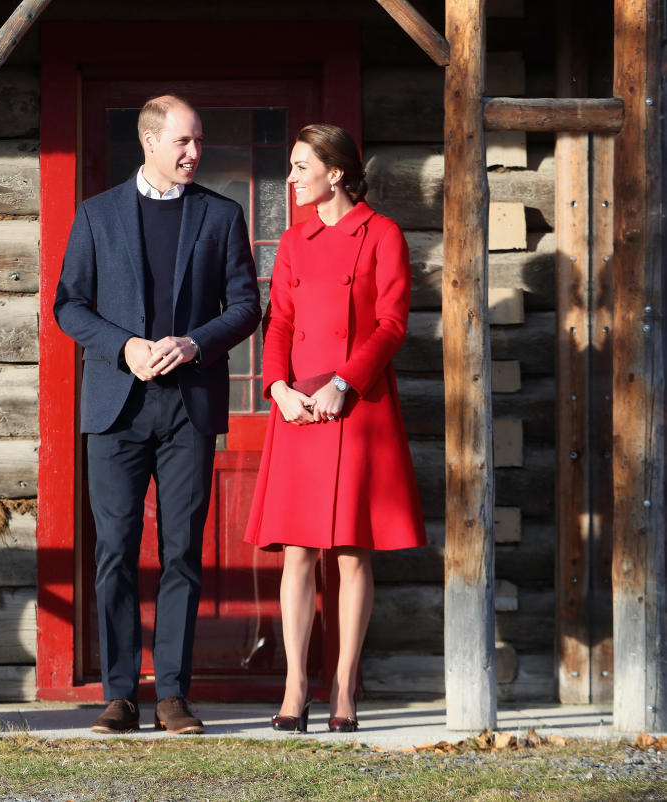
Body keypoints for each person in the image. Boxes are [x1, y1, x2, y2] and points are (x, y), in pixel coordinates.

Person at [54, 95, 261, 735]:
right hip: (115, 409)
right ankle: (120, 695)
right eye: (183, 142)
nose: (195, 153)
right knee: (114, 551)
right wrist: (124, 346)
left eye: (198, 142)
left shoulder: (221, 216)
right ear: (150, 142)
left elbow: (247, 305)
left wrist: (195, 341)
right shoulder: (95, 216)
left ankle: (172, 694)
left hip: (189, 407)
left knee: (182, 554)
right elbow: (69, 306)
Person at [244, 123, 425, 734]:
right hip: (297, 408)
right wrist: (277, 390)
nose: (290, 178)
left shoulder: (383, 235)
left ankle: (343, 686)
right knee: (296, 550)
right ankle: (296, 685)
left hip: (356, 402)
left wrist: (342, 383)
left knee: (350, 551)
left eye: (300, 167)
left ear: (336, 173)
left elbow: (392, 324)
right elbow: (278, 325)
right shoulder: (294, 241)